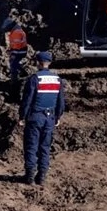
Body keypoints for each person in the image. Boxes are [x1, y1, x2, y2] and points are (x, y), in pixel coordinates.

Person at [18, 52, 66, 186]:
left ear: (38, 62)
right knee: (45, 147)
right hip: (50, 118)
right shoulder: (57, 80)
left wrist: (22, 116)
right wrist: (58, 116)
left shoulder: (35, 79)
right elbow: (61, 102)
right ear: (49, 63)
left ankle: (29, 176)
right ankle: (42, 177)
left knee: (31, 146)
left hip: (35, 117)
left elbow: (27, 100)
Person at [4, 18, 29, 86]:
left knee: (13, 64)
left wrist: (13, 54)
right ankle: (23, 73)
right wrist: (11, 50)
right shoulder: (17, 30)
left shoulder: (16, 33)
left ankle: (14, 80)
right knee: (16, 63)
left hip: (19, 52)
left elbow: (17, 45)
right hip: (20, 51)